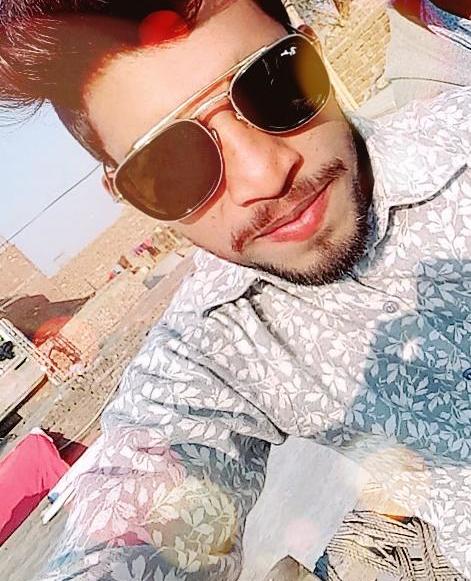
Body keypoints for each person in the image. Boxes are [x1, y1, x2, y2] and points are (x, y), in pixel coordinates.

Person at [1, 0, 470, 578]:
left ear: (313, 51)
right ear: (125, 195)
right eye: (172, 165)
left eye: (272, 85)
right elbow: (133, 527)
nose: (263, 175)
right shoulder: (209, 355)